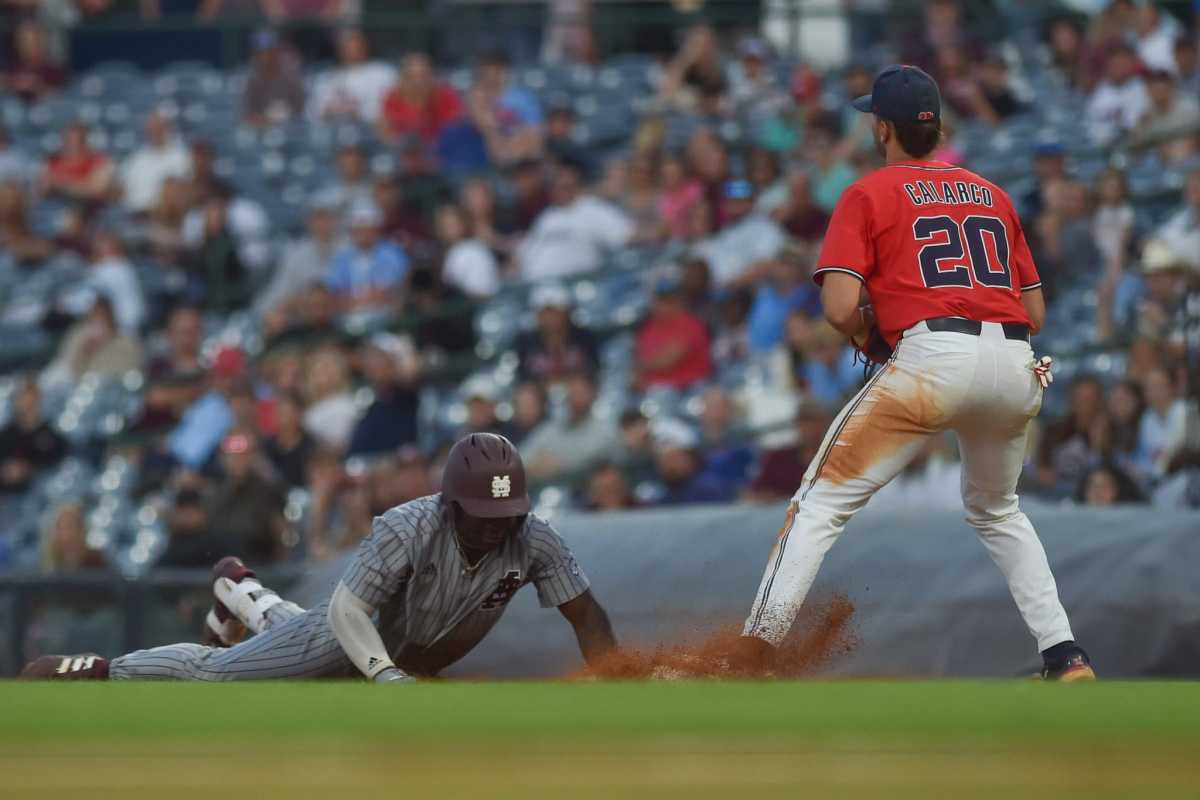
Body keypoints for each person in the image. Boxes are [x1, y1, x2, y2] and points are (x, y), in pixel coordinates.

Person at [737, 65, 1094, 681]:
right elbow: (1033, 310)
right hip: (1016, 362)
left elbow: (839, 307)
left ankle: (755, 652)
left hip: (934, 359)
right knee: (998, 509)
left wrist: (866, 325)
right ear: (937, 128)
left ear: (882, 129)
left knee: (818, 502)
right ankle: (1064, 655)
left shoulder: (868, 193)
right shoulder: (993, 194)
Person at [23, 433, 617, 682]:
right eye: (484, 516)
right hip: (345, 634)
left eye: (507, 513)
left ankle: (240, 592)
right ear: (452, 503)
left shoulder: (532, 536)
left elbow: (586, 614)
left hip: (402, 654)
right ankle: (101, 669)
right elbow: (349, 609)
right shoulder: (408, 524)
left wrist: (614, 678)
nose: (497, 527)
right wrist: (384, 675)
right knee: (218, 676)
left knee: (282, 636)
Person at [517, 158, 633, 281]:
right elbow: (525, 252)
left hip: (577, 285)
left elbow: (626, 235)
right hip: (537, 285)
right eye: (556, 187)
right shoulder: (547, 216)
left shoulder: (592, 208)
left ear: (577, 185)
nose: (561, 191)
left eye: (566, 187)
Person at [309, 28, 397, 125]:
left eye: (355, 46)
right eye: (346, 46)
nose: (351, 50)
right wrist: (329, 111)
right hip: (331, 133)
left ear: (365, 46)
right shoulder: (325, 77)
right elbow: (312, 112)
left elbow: (390, 109)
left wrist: (359, 113)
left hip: (371, 134)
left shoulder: (383, 73)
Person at [0, 378, 66, 496]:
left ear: (39, 401)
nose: (27, 405)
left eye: (32, 401)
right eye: (24, 400)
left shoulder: (52, 435)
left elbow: (56, 461)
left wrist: (28, 469)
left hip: (38, 492)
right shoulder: (6, 433)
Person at [119, 110, 192, 215]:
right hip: (135, 216)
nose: (154, 131)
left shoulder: (180, 157)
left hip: (165, 217)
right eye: (151, 128)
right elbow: (124, 191)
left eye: (158, 127)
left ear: (168, 127)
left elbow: (183, 192)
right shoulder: (138, 159)